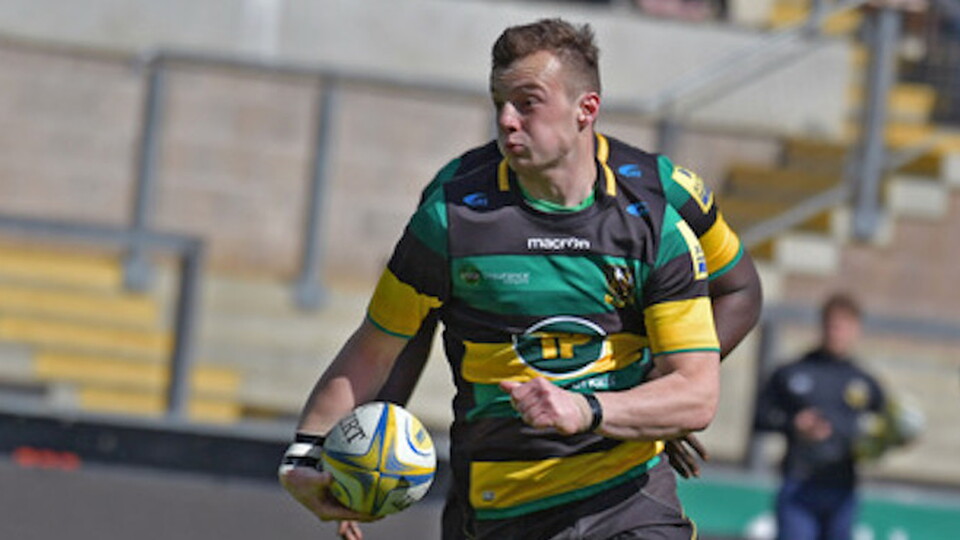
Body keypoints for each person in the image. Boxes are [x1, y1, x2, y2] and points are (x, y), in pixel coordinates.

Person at [280, 18, 753, 539]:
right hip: (499, 495)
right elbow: (388, 341)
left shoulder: (657, 210)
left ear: (586, 109)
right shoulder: (453, 214)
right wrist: (347, 454)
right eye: (499, 103)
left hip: (627, 493)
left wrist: (634, 403)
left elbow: (729, 315)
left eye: (527, 103)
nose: (506, 120)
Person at [754, 293, 887, 540]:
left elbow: (885, 428)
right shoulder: (792, 372)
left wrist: (878, 444)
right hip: (799, 483)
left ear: (856, 329)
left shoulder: (864, 382)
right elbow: (760, 418)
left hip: (843, 488)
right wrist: (794, 425)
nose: (837, 333)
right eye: (832, 325)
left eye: (844, 327)